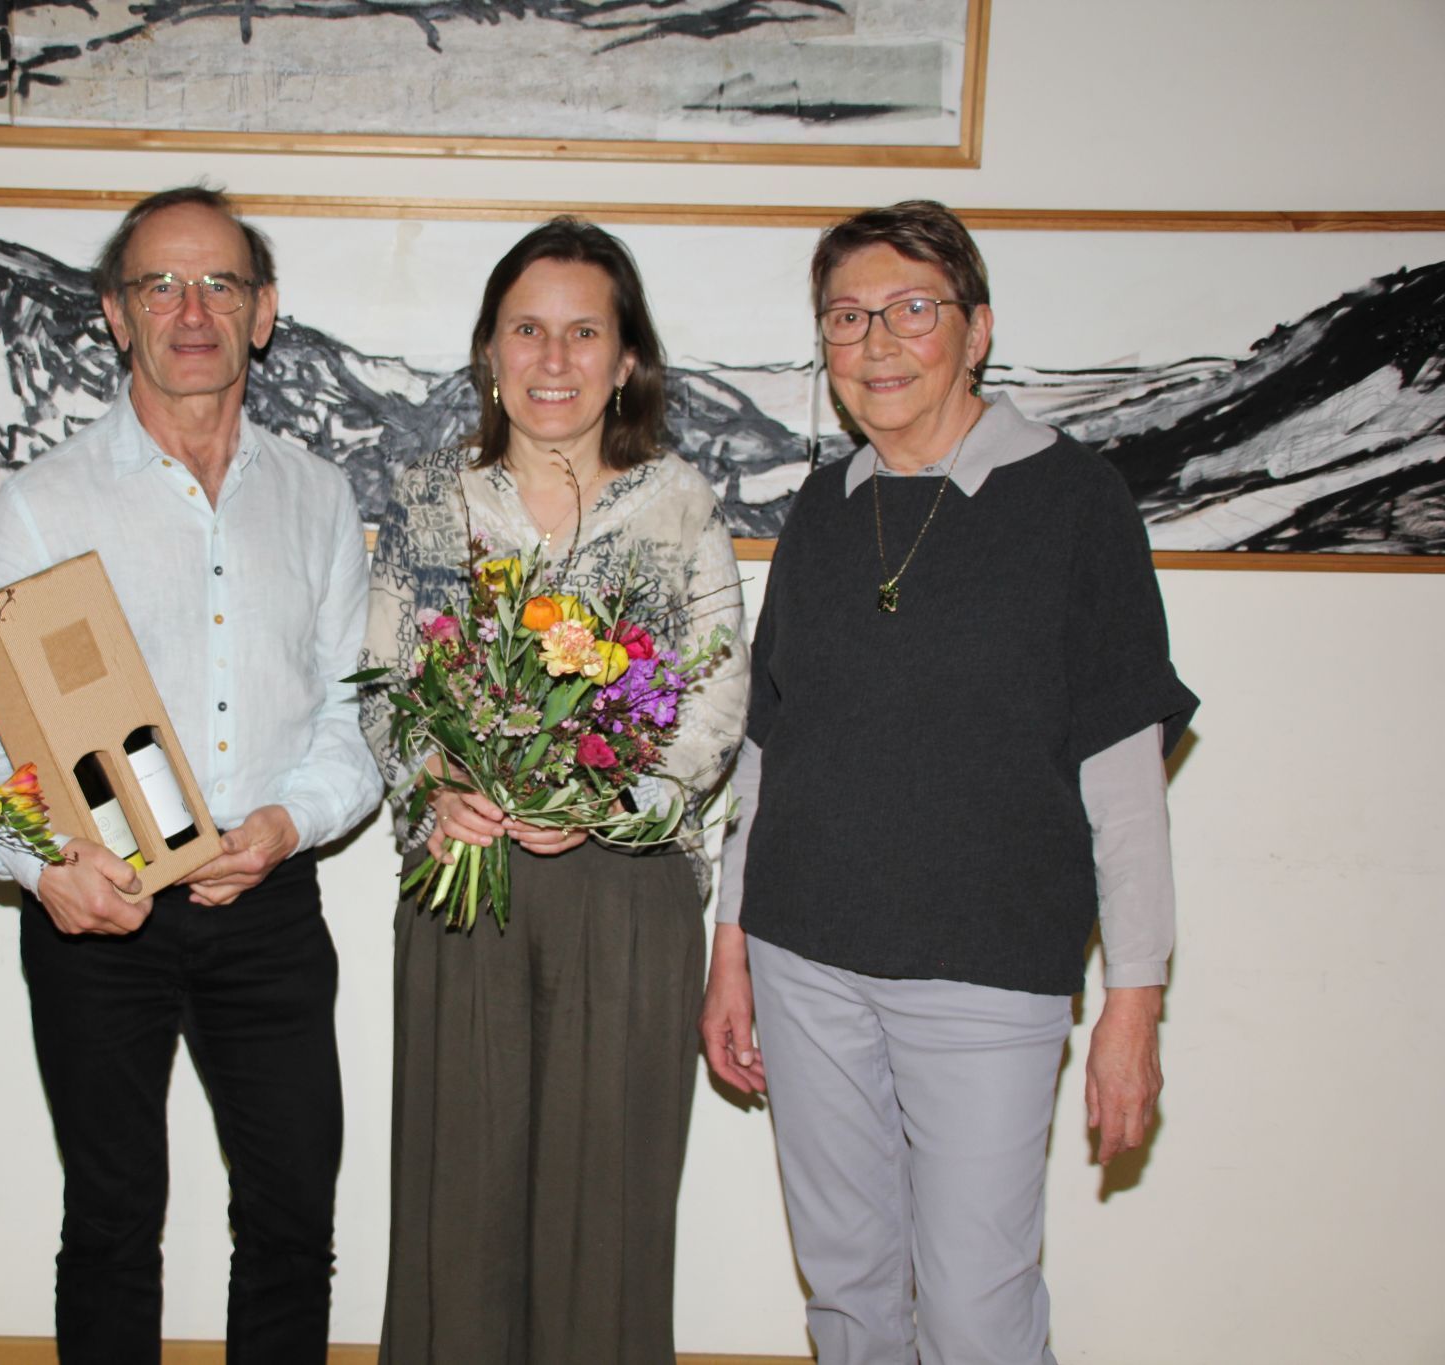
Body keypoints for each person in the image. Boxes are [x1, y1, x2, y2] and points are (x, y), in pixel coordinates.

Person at [699, 199, 1199, 1365]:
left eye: (908, 310)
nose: (874, 342)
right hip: (802, 957)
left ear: (973, 331)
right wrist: (730, 946)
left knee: (977, 1306)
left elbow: (1123, 775)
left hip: (986, 976)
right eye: (844, 316)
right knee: (847, 1290)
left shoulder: (1076, 505)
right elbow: (767, 747)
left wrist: (1133, 1002)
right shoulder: (822, 510)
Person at [0, 185, 382, 1363]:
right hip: (100, 922)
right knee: (108, 1227)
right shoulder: (41, 508)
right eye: (160, 284)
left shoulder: (317, 497)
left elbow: (356, 719)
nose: (191, 310)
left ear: (262, 313)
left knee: (294, 1222)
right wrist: (44, 869)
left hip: (268, 907)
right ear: (115, 312)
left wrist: (286, 827)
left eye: (220, 284)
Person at [359, 217, 748, 1365]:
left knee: (606, 1216)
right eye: (526, 329)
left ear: (626, 359)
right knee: (454, 1212)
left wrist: (598, 807)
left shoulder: (676, 505)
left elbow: (715, 706)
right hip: (461, 886)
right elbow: (383, 687)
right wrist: (434, 787)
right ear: (488, 351)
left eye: (585, 332)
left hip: (625, 895)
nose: (553, 358)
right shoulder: (430, 500)